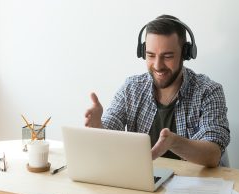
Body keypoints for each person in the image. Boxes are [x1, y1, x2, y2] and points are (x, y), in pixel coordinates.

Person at [84, 14, 230, 167]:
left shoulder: (208, 91)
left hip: (195, 185)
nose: (158, 65)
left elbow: (213, 155)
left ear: (185, 53)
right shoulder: (132, 88)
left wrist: (174, 142)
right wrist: (98, 126)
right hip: (145, 182)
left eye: (167, 56)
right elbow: (111, 131)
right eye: (150, 55)